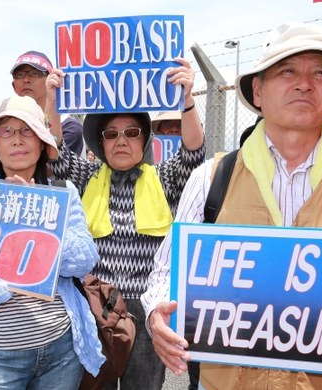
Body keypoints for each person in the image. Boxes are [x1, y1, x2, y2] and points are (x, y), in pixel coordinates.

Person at [141, 22, 322, 389]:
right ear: (258, 89)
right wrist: (158, 311)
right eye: (287, 71)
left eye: (320, 73)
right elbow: (168, 273)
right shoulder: (210, 179)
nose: (304, 83)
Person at [42, 57, 205, 388]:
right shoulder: (86, 176)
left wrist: (187, 100)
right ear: (100, 143)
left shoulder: (165, 177)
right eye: (111, 133)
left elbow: (193, 152)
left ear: (145, 140)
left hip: (146, 310)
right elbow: (54, 150)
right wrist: (52, 101)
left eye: (132, 133)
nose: (121, 140)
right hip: (95, 308)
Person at [0, 95, 104, 389]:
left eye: (27, 130)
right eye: (6, 131)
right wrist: (3, 288)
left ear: (42, 142)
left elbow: (84, 260)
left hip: (60, 347)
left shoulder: (62, 190)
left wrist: (35, 214)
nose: (17, 139)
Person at [0, 50, 85, 156]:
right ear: (14, 86)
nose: (26, 79)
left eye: (35, 73)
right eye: (19, 74)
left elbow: (51, 167)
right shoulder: (2, 125)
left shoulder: (69, 127)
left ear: (51, 81)